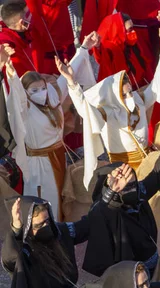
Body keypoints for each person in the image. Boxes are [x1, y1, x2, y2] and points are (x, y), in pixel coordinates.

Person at [60, 22, 160, 188]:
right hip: (123, 173)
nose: (130, 96)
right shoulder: (107, 113)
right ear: (115, 96)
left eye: (130, 91)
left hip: (149, 166)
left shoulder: (138, 101)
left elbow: (158, 84)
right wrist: (71, 82)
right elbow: (83, 108)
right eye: (124, 94)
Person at [5, 33, 97, 221]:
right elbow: (15, 96)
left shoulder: (52, 97)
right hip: (39, 164)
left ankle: (62, 232)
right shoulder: (25, 109)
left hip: (59, 157)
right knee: (46, 204)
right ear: (26, 93)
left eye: (42, 88)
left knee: (62, 197)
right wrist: (10, 74)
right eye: (34, 90)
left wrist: (84, 48)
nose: (40, 93)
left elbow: (67, 74)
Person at [81, 125, 160, 277]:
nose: (132, 189)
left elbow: (157, 176)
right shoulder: (108, 211)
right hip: (128, 276)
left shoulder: (139, 192)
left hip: (152, 267)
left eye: (133, 184)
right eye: (125, 187)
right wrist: (112, 191)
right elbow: (100, 211)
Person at [93, 12, 155, 89]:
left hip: (141, 88)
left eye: (133, 28)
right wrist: (98, 46)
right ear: (118, 31)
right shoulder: (111, 48)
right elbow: (101, 56)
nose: (133, 32)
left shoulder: (133, 43)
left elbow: (145, 67)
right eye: (129, 30)